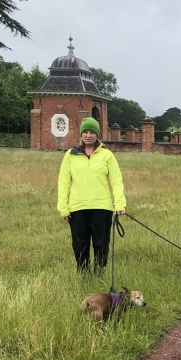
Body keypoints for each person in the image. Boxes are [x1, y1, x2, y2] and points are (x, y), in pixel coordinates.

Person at [57, 117, 126, 273]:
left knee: (101, 243)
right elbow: (63, 182)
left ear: (97, 134)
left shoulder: (107, 155)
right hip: (77, 207)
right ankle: (83, 274)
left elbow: (116, 181)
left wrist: (119, 204)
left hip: (102, 207)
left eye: (92, 132)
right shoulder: (70, 155)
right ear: (81, 134)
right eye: (85, 132)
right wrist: (63, 207)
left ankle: (100, 273)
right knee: (80, 243)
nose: (88, 135)